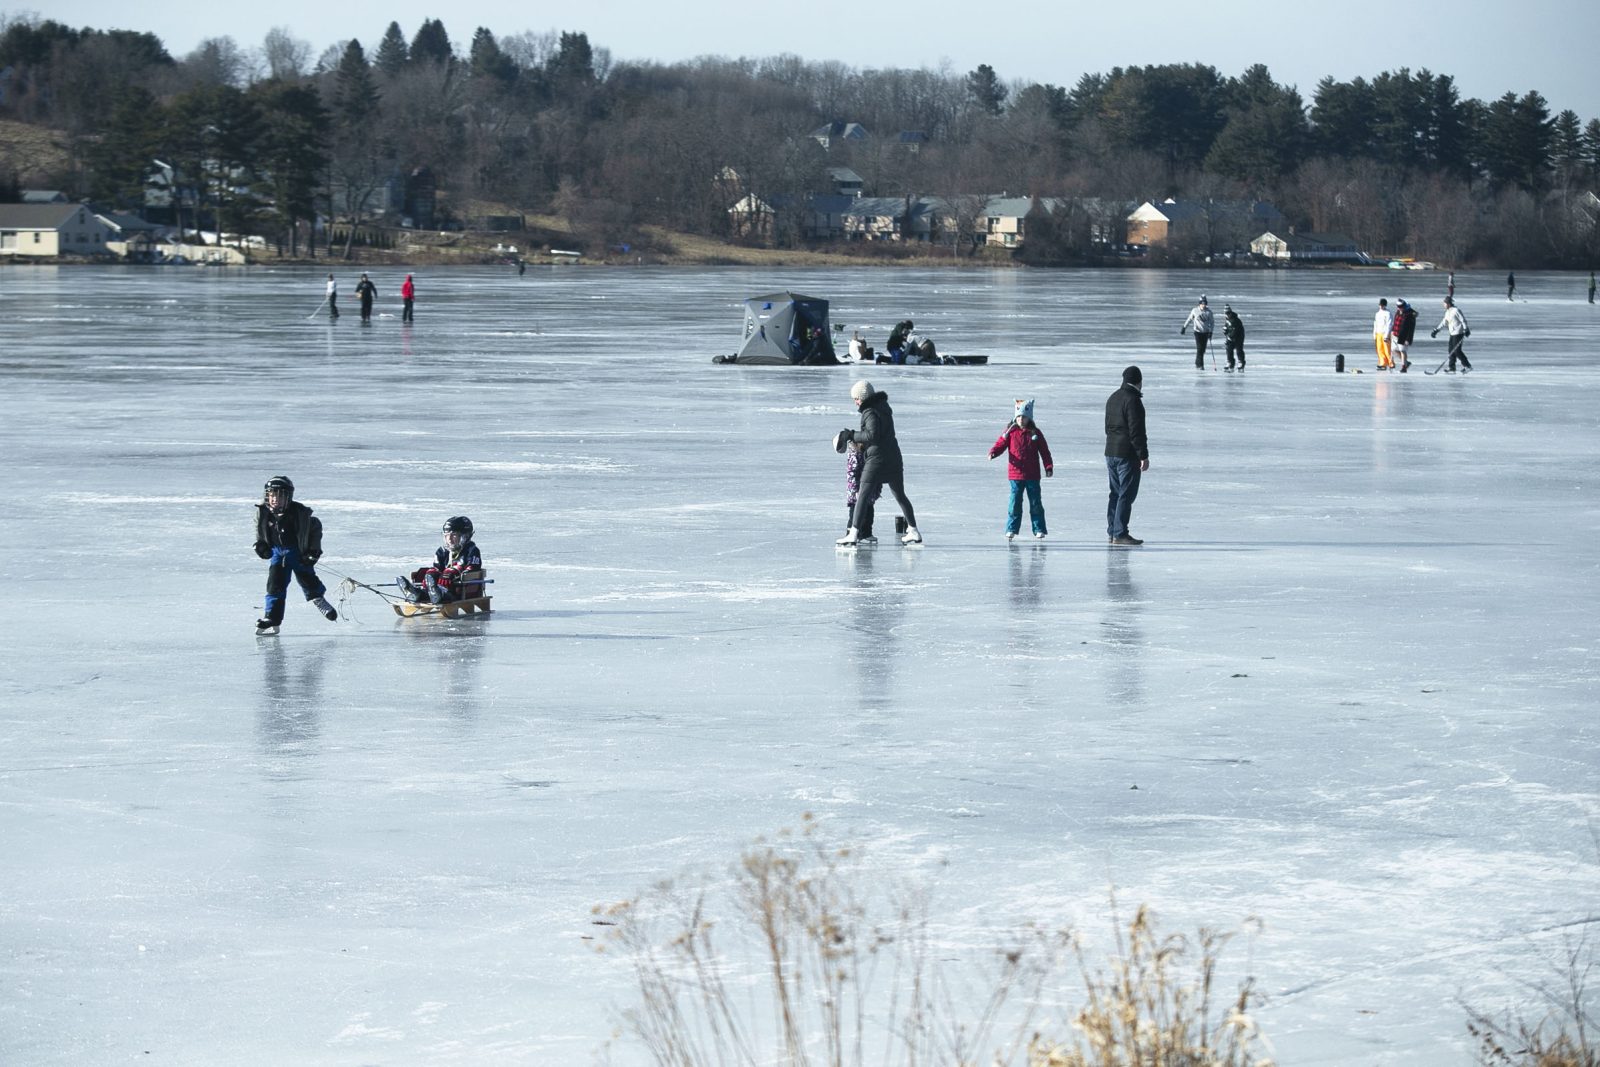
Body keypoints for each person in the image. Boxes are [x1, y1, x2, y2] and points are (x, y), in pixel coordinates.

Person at [835, 380, 920, 546]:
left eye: (857, 399)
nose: (855, 402)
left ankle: (853, 534)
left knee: (863, 495)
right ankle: (914, 531)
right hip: (893, 457)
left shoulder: (870, 412)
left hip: (877, 459)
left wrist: (851, 435)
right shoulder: (883, 408)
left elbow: (872, 436)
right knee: (900, 495)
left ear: (863, 397)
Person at [253, 475, 337, 634]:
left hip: (297, 552)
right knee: (275, 585)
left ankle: (318, 599)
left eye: (279, 496)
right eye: (271, 495)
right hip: (278, 553)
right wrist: (260, 545)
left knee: (307, 579)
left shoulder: (299, 513)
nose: (274, 499)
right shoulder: (263, 512)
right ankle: (271, 617)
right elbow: (259, 530)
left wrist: (313, 552)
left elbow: (314, 529)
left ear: (288, 497)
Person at [989, 398, 1054, 541]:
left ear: (1029, 417)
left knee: (1035, 503)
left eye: (1024, 417)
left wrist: (1048, 467)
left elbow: (1044, 451)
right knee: (1014, 503)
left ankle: (1039, 529)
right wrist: (993, 452)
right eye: (1018, 417)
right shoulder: (1010, 432)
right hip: (1015, 475)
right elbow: (1000, 444)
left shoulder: (1035, 433)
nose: (1020, 419)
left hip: (1032, 475)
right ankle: (1011, 529)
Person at [1104, 366, 1149, 547]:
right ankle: (1120, 533)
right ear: (1139, 381)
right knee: (1126, 494)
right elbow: (1136, 431)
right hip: (1127, 454)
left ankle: (1113, 531)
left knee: (1115, 493)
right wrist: (1143, 455)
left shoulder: (1113, 397)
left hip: (1111, 452)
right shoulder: (1133, 400)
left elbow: (1107, 427)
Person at [397, 516, 484, 604]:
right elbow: (438, 567)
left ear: (465, 536)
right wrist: (432, 573)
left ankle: (439, 594)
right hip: (440, 585)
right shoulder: (442, 551)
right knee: (429, 573)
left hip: (460, 589)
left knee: (445, 588)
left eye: (453, 535)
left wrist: (453, 572)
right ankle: (417, 593)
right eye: (446, 536)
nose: (449, 539)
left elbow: (473, 568)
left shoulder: (472, 550)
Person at [834, 432, 881, 544]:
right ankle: (850, 532)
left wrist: (876, 488)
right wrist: (855, 489)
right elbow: (852, 473)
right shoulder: (854, 454)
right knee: (854, 512)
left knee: (869, 513)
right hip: (856, 490)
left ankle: (866, 533)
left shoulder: (867, 453)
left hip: (868, 489)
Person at [1431, 296, 1473, 373]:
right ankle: (1452, 367)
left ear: (1448, 303)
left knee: (1457, 351)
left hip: (1459, 333)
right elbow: (1444, 322)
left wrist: (1466, 329)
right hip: (1452, 333)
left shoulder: (1456, 310)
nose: (1443, 305)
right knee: (1451, 350)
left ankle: (1467, 366)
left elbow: (1463, 320)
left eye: (1444, 303)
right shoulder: (1447, 312)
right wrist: (1436, 330)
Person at [1180, 295, 1213, 369]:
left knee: (1203, 350)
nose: (1204, 305)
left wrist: (1211, 332)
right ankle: (1200, 365)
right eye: (1202, 303)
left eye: (1205, 304)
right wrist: (1184, 327)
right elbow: (1189, 319)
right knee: (1199, 348)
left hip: (1205, 332)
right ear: (1200, 303)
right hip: (1197, 332)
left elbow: (1212, 322)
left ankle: (1197, 362)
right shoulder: (1195, 311)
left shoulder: (1209, 312)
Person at [1390, 298, 1417, 372]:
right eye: (1398, 307)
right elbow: (1395, 322)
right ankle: (1406, 363)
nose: (1399, 308)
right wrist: (1392, 330)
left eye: (1401, 307)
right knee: (1393, 350)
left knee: (1402, 351)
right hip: (1395, 335)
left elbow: (1411, 329)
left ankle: (1404, 367)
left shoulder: (1409, 315)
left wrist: (1408, 339)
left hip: (1403, 336)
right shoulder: (1398, 312)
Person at [1373, 298, 1395, 370]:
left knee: (1387, 349)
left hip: (1385, 333)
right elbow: (1375, 324)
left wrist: (1387, 335)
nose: (1381, 306)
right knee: (1380, 349)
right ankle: (1382, 363)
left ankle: (1391, 363)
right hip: (1378, 333)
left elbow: (1389, 324)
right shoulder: (1377, 313)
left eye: (1383, 305)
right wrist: (1374, 334)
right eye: (1380, 305)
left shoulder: (1388, 313)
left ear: (1385, 305)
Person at [1222, 305, 1246, 371]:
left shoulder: (1236, 320)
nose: (1227, 315)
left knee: (1239, 350)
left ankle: (1241, 362)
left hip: (1239, 337)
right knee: (1229, 350)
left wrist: (1230, 336)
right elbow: (1227, 329)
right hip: (1230, 337)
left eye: (1228, 313)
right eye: (1226, 313)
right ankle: (1230, 362)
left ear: (1231, 312)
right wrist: (1225, 330)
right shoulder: (1227, 320)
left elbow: (1235, 331)